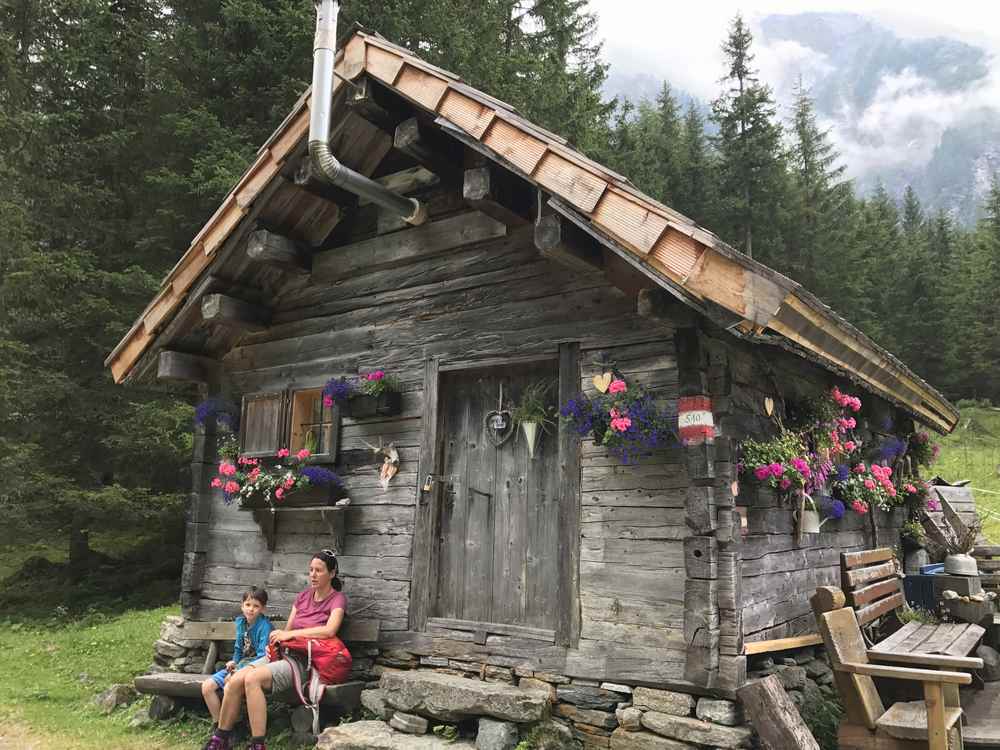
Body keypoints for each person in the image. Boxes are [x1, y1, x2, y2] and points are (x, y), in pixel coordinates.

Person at [203, 550, 347, 750]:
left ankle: (258, 745)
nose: (313, 574)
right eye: (311, 570)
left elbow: (330, 630)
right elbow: (286, 632)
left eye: (319, 570)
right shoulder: (303, 596)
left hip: (307, 661)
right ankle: (221, 738)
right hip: (284, 655)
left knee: (252, 679)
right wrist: (281, 637)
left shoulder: (337, 599)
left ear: (331, 574)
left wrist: (292, 635)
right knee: (235, 680)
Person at [200, 586, 272, 726]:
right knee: (207, 687)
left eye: (256, 606)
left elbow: (262, 657)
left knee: (229, 685)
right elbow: (239, 649)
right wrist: (234, 661)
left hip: (253, 669)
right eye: (248, 605)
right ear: (242, 606)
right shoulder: (241, 623)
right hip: (239, 666)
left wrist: (237, 672)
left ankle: (230, 726)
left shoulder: (265, 627)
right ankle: (218, 726)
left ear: (263, 609)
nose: (251, 609)